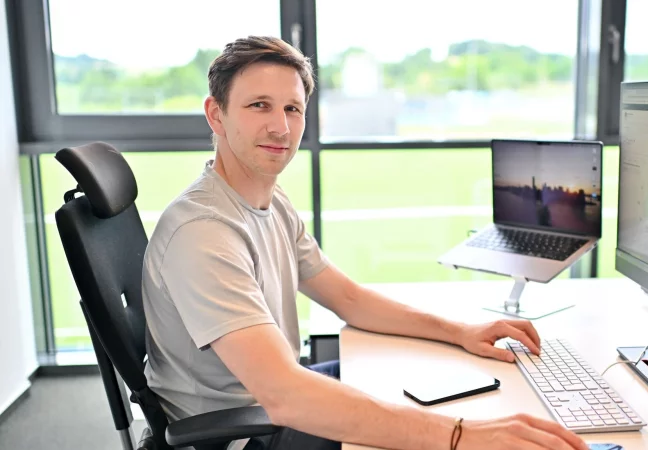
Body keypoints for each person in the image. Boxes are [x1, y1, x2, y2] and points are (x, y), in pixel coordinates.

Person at [141, 35, 588, 450]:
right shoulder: (203, 232)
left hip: (274, 403)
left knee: (438, 387)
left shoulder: (269, 200)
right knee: (454, 430)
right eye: (259, 105)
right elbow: (284, 395)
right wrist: (460, 437)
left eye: (293, 109)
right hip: (246, 435)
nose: (280, 127)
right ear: (216, 113)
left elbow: (348, 298)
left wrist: (460, 332)